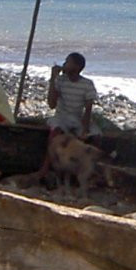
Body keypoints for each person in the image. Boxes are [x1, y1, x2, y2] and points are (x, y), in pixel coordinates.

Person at [36, 52, 99, 182]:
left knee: (96, 136)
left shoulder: (87, 84)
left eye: (67, 62)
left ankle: (89, 170)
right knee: (56, 132)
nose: (64, 64)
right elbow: (51, 104)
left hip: (77, 118)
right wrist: (53, 78)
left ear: (77, 67)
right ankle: (46, 167)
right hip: (61, 117)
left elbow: (88, 109)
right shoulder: (60, 81)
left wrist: (85, 129)